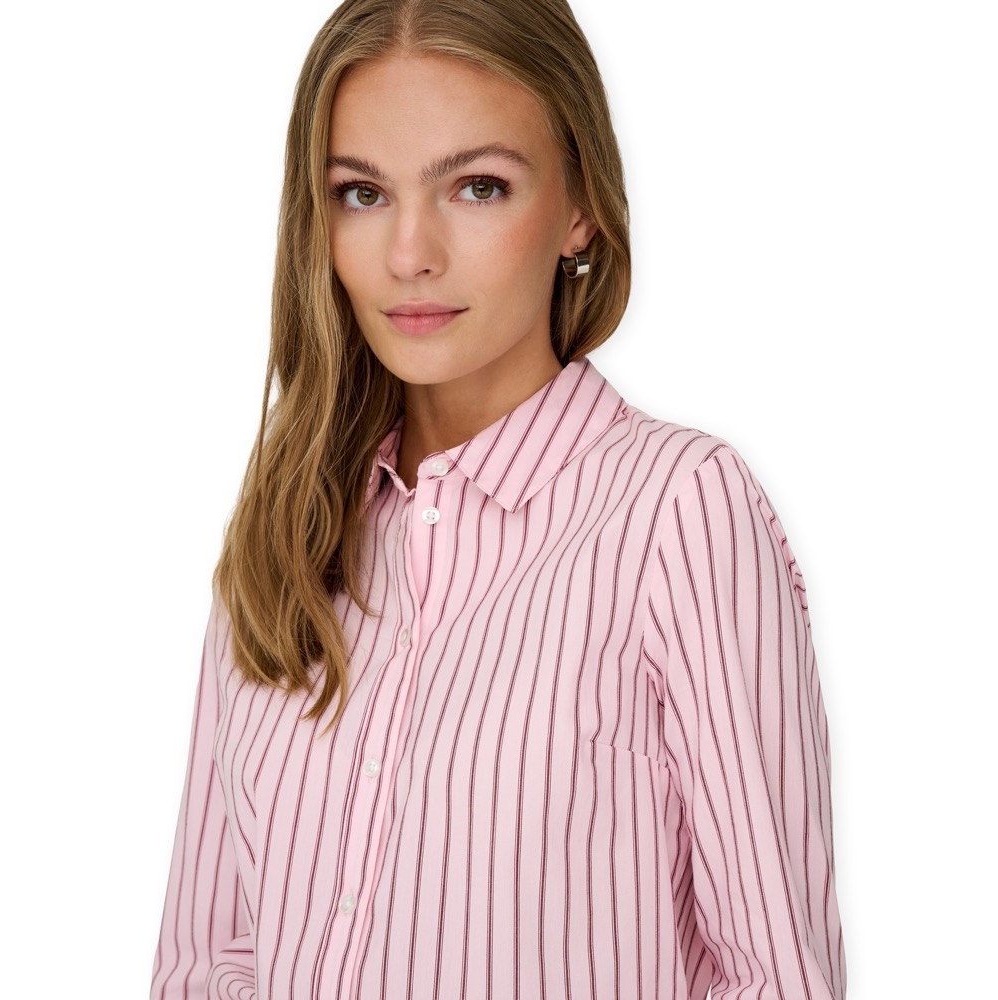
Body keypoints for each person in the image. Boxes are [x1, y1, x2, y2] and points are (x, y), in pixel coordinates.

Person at [150, 0, 846, 997]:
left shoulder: (678, 512)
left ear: (579, 205)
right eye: (361, 193)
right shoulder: (286, 536)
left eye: (477, 186)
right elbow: (204, 966)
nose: (409, 253)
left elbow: (776, 976)